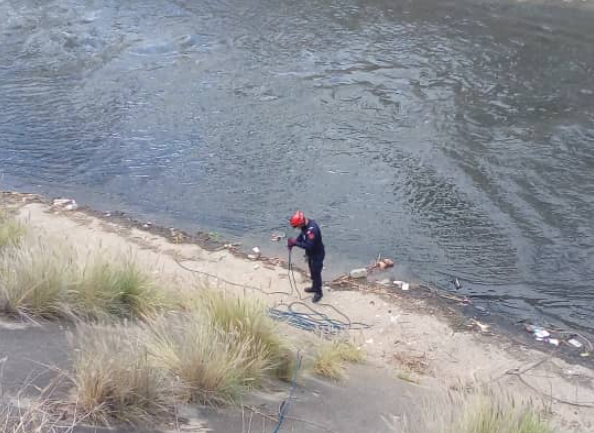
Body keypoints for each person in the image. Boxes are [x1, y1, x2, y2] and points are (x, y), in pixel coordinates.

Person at [287, 210, 325, 303]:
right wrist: (294, 242)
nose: (297, 228)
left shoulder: (312, 230)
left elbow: (309, 245)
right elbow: (302, 235)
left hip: (317, 254)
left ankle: (319, 292)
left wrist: (295, 243)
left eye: (297, 226)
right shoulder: (305, 226)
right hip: (310, 254)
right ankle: (314, 287)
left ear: (301, 223)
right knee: (312, 272)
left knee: (316, 273)